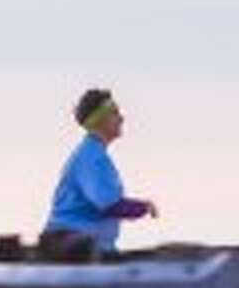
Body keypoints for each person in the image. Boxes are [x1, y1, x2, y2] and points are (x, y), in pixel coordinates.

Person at [39, 88, 158, 260]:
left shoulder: (92, 154)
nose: (122, 118)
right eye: (115, 113)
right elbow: (109, 205)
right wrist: (144, 207)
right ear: (99, 120)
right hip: (71, 248)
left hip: (85, 247)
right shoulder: (91, 158)